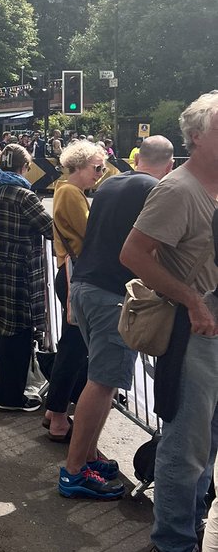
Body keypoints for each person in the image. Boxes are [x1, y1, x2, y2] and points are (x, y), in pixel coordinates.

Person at [121, 92, 218, 552]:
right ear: (197, 136)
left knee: (210, 436)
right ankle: (172, 547)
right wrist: (193, 301)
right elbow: (134, 254)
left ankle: (190, 531)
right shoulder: (179, 189)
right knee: (188, 439)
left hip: (210, 328)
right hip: (193, 328)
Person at [58, 136, 175, 500]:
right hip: (111, 294)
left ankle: (88, 457)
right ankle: (74, 470)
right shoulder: (156, 190)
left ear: (138, 158)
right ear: (169, 165)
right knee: (104, 381)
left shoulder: (112, 182)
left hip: (86, 287)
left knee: (100, 376)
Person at [0, 144, 53, 411]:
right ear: (24, 167)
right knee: (18, 332)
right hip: (20, 272)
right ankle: (9, 397)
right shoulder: (24, 197)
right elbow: (51, 229)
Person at [44, 140, 107, 440]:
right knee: (73, 348)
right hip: (73, 273)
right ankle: (57, 416)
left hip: (68, 272)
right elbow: (91, 234)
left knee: (72, 344)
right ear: (80, 166)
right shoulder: (70, 192)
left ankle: (54, 412)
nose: (101, 172)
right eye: (97, 167)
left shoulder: (66, 189)